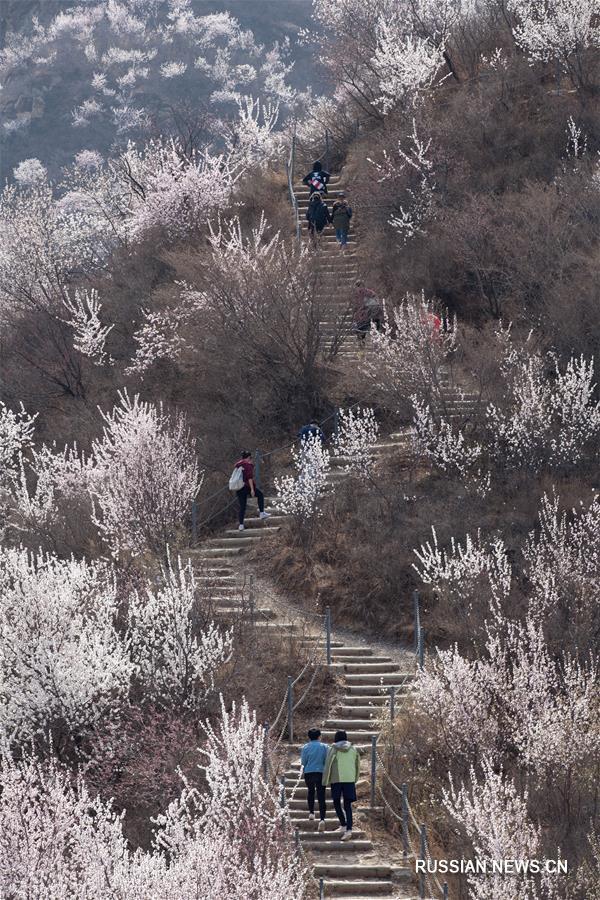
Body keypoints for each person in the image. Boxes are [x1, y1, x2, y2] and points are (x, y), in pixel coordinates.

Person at [323, 729, 360, 841]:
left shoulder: (333, 749)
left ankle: (343, 825)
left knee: (336, 802)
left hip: (336, 779)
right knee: (348, 805)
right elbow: (358, 765)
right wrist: (355, 778)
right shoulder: (353, 749)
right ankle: (348, 829)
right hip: (349, 779)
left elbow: (328, 765)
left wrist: (325, 781)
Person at [300, 728, 328, 831]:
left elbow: (303, 762)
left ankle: (311, 813)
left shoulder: (305, 747)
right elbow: (327, 760)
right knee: (321, 795)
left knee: (311, 792)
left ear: (309, 737)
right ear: (319, 736)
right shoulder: (324, 747)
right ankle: (322, 819)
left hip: (309, 772)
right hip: (321, 772)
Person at [234, 450, 270, 531]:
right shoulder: (248, 465)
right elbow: (249, 478)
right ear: (248, 457)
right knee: (260, 495)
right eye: (250, 458)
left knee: (242, 507)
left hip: (239, 488)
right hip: (246, 487)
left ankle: (241, 525)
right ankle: (261, 513)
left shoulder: (238, 465)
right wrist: (252, 489)